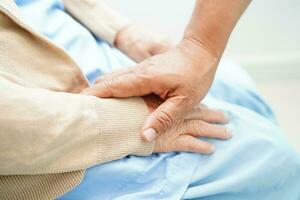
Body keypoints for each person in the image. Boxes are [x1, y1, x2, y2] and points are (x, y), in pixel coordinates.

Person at [0, 0, 299, 200]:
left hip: (44, 28)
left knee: (236, 84)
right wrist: (134, 123)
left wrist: (122, 31)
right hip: (33, 122)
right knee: (269, 156)